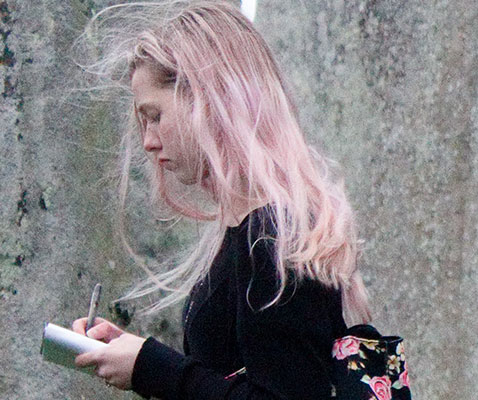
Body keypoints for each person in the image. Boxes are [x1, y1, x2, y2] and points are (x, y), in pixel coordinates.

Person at [70, 2, 371, 398]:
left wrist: (151, 367)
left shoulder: (273, 237)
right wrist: (135, 355)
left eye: (155, 115)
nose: (148, 141)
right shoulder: (248, 228)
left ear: (209, 100)